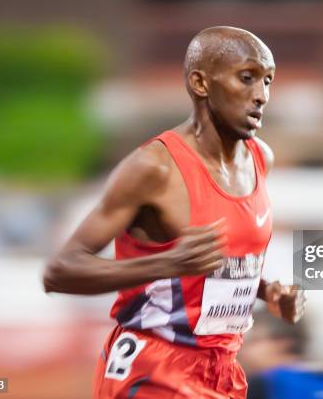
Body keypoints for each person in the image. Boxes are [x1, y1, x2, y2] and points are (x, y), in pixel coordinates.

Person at [43, 26, 305, 399]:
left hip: (223, 368)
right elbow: (60, 272)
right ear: (200, 83)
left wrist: (265, 291)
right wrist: (166, 263)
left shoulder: (261, 159)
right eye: (246, 78)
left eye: (267, 81)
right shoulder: (154, 168)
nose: (261, 96)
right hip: (154, 367)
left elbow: (213, 263)